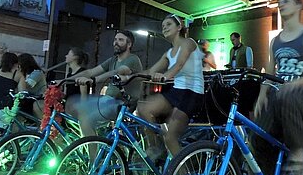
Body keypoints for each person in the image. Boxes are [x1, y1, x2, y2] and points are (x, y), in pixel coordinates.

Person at [253, 0, 303, 175]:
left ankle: (298, 152)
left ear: (298, 6)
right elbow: (270, 72)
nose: (281, 5)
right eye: (279, 3)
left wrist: (294, 84)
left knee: (286, 94)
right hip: (279, 95)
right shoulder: (275, 41)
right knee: (256, 135)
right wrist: (262, 95)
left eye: (286, 2)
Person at [132, 14, 204, 159]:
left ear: (179, 27)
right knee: (143, 108)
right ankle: (156, 148)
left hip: (192, 93)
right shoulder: (168, 53)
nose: (164, 27)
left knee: (170, 137)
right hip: (176, 92)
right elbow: (150, 71)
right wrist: (129, 76)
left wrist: (165, 76)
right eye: (163, 26)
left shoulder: (189, 43)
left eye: (168, 24)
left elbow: (179, 64)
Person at [68, 30, 143, 137]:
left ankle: (95, 150)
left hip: (122, 103)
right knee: (74, 106)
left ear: (129, 44)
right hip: (108, 100)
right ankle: (97, 142)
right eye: (115, 40)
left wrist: (94, 80)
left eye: (120, 40)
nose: (116, 42)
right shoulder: (113, 60)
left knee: (86, 120)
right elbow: (91, 72)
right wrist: (64, 80)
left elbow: (118, 71)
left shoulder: (133, 59)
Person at [17, 53, 47, 118]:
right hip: (28, 99)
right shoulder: (26, 74)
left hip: (38, 100)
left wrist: (19, 74)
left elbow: (27, 85)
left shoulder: (37, 73)